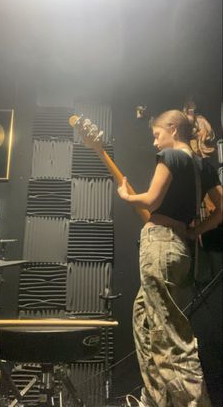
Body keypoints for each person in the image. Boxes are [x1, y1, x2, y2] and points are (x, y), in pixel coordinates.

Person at [117, 109, 222, 407]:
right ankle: (155, 399)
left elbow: (151, 200)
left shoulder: (172, 157)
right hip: (178, 249)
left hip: (159, 244)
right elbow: (221, 210)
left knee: (170, 336)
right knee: (145, 322)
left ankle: (194, 402)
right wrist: (194, 231)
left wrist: (126, 196)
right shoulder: (204, 167)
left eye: (157, 135)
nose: (154, 142)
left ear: (173, 129)